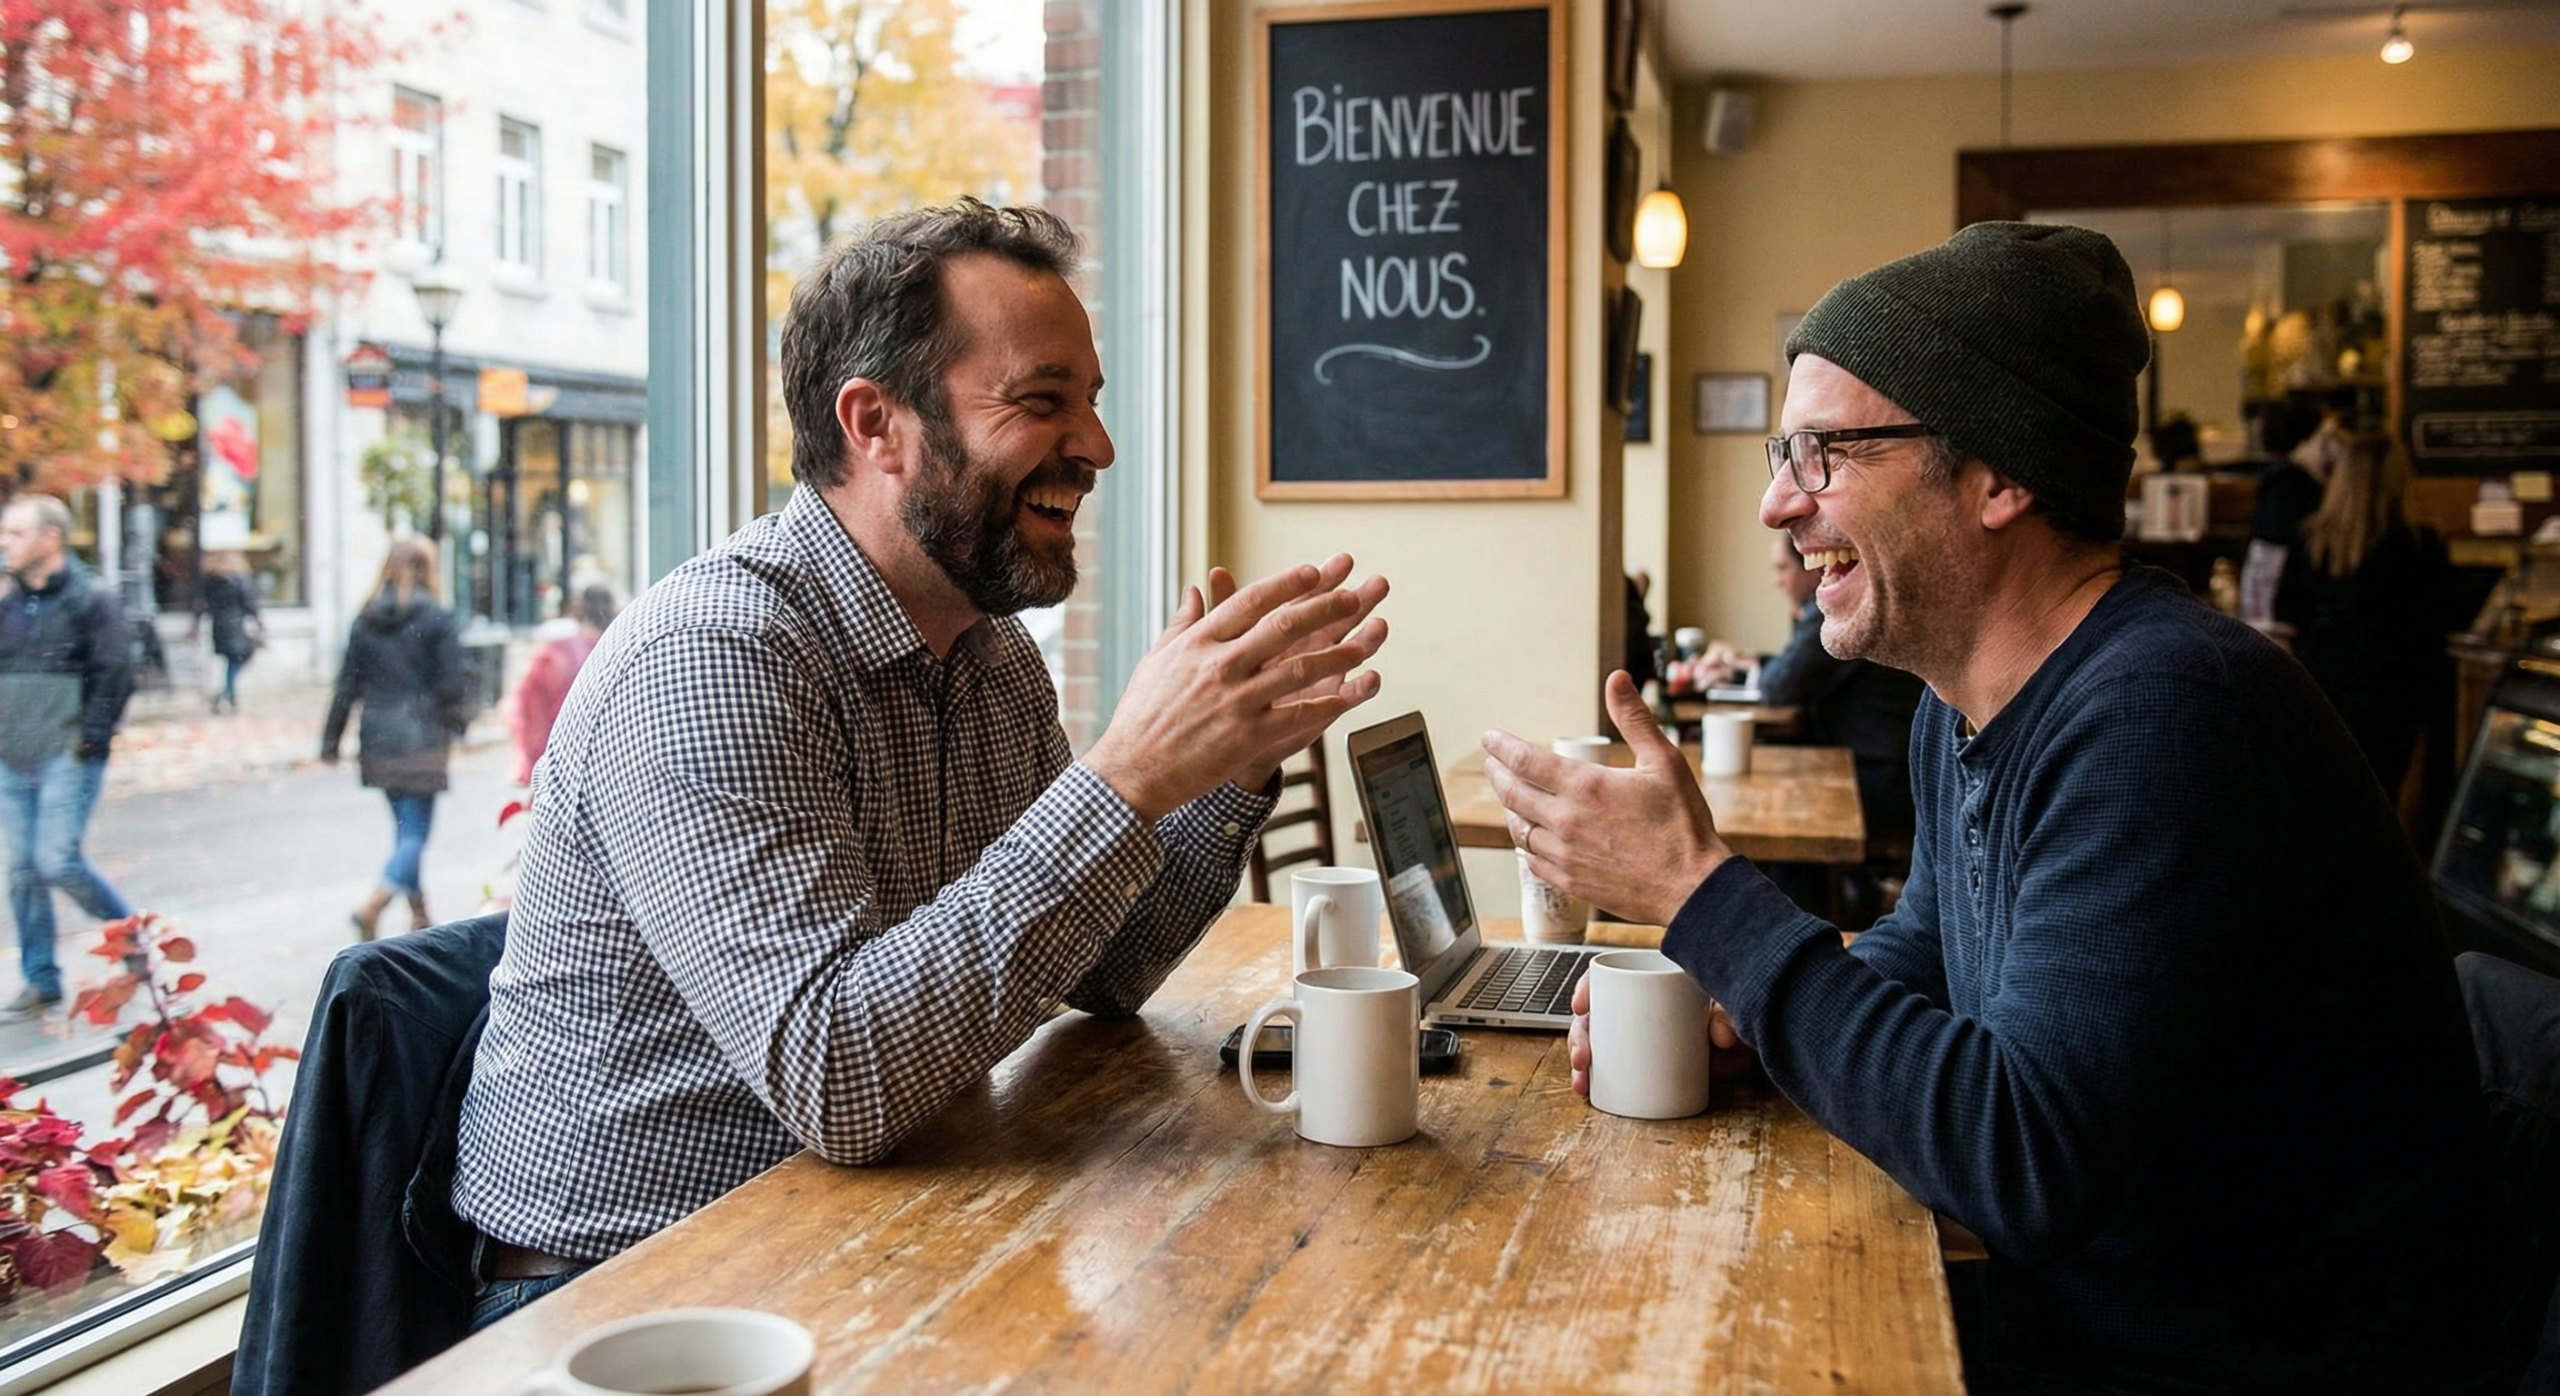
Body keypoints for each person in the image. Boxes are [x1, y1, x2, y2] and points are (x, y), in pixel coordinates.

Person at [1483, 223, 2525, 1394]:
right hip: (2091, 1316)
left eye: (1825, 452)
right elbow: (1930, 944)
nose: (1778, 502)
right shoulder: (1962, 700)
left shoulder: (2166, 712)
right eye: (1786, 450)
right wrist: (1749, 1021)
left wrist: (1700, 901)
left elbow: (2024, 1155)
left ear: (2001, 474)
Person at [451, 199, 1389, 1328]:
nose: (1095, 448)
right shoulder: (713, 658)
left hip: (847, 1232)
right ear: (874, 423)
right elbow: (838, 1078)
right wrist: (1126, 776)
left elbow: (1102, 974)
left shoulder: (988, 655)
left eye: (1091, 406)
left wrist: (1229, 768)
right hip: (623, 1294)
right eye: (1043, 402)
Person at [2274, 430, 2459, 818]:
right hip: (2395, 695)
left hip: (2322, 688)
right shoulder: (2419, 545)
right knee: (2379, 803)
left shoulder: (2310, 540)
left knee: (2324, 804)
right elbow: (2440, 622)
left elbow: (2285, 612)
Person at [0, 495, 135, 1019]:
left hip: (66, 753)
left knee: (56, 859)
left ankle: (134, 942)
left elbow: (115, 671)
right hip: (12, 754)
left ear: (49, 539)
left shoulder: (89, 598)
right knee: (22, 870)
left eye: (14, 534)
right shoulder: (8, 602)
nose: (4, 543)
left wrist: (88, 739)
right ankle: (40, 978)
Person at [322, 537, 468, 941]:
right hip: (421, 734)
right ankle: (375, 903)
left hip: (378, 735)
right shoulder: (437, 618)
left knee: (405, 830)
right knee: (415, 834)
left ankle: (420, 915)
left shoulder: (365, 618)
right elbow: (452, 681)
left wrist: (331, 740)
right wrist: (459, 724)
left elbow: (346, 683)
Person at [504, 583, 618, 785]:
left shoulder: (555, 651)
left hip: (557, 751)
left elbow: (527, 709)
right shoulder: (618, 649)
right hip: (606, 759)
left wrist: (530, 762)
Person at [190, 550, 264, 714]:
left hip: (218, 625)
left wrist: (195, 626)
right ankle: (227, 693)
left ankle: (227, 694)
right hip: (235, 624)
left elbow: (201, 605)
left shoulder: (211, 581)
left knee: (232, 661)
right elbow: (249, 603)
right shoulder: (239, 581)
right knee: (238, 659)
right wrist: (259, 623)